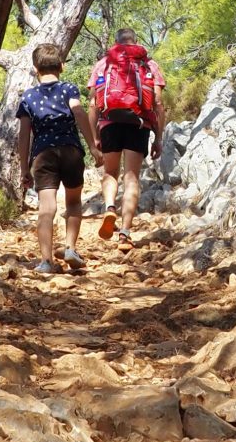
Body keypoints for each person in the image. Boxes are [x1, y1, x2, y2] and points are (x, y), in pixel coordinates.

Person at [13, 44, 96, 276]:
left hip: (42, 154)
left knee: (46, 208)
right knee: (73, 202)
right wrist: (92, 146)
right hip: (71, 150)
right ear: (61, 66)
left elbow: (24, 135)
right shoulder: (69, 89)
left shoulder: (28, 97)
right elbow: (79, 113)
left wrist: (24, 168)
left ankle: (47, 261)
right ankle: (70, 249)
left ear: (35, 68)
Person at [91, 26, 165, 244]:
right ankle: (124, 231)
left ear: (117, 42)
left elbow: (93, 103)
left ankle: (110, 207)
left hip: (109, 124)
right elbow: (159, 104)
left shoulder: (104, 64)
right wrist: (158, 137)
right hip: (138, 124)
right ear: (135, 41)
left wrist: (95, 136)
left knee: (110, 173)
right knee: (131, 177)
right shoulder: (149, 64)